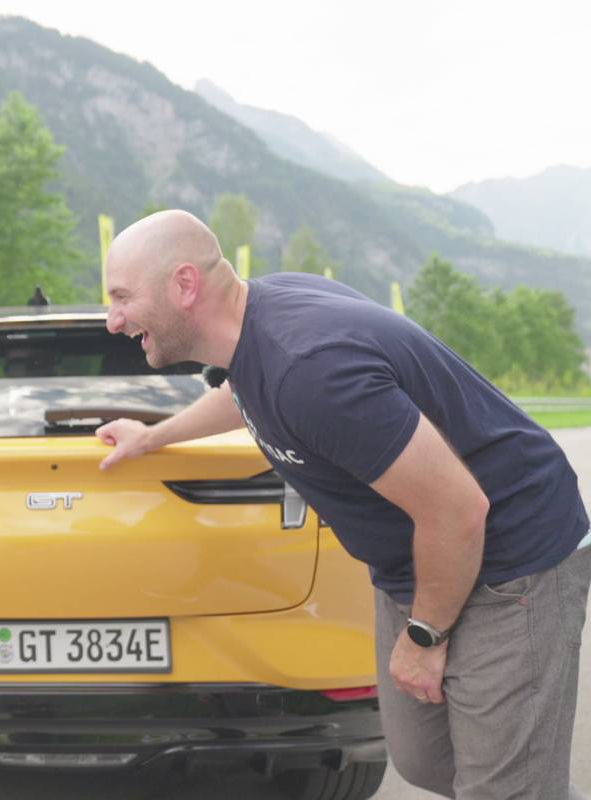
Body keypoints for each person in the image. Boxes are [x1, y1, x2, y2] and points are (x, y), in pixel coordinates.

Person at [96, 209, 591, 800]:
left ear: (184, 285)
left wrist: (425, 638)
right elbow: (243, 392)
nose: (113, 319)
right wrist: (154, 435)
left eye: (123, 296)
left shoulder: (314, 369)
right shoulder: (259, 326)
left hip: (513, 560)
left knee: (508, 787)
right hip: (420, 561)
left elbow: (457, 511)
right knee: (424, 759)